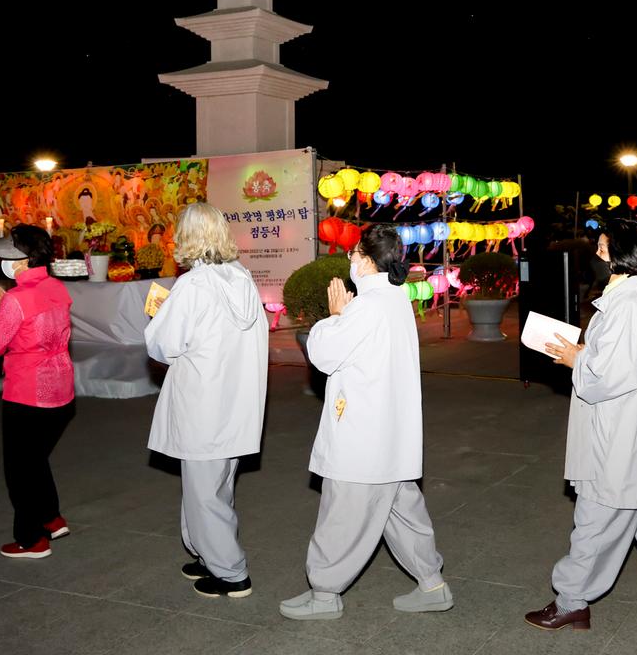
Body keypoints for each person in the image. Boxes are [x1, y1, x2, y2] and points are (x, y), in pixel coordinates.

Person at [526, 219, 637, 632]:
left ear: (622, 254)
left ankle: (571, 600)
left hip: (619, 439)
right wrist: (583, 353)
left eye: (604, 246)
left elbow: (609, 377)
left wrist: (578, 360)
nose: (597, 253)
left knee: (594, 523)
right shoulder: (628, 299)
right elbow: (614, 361)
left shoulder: (627, 306)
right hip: (629, 434)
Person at [280, 225, 453, 621]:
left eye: (354, 255)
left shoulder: (367, 305)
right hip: (392, 434)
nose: (350, 262)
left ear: (368, 260)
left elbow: (323, 356)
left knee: (342, 517)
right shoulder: (395, 299)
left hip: (363, 436)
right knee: (403, 515)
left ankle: (324, 595)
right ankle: (432, 584)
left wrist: (334, 316)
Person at [145, 202, 269, 598]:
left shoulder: (194, 286)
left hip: (203, 402)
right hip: (235, 401)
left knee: (204, 490)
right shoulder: (241, 277)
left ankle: (231, 573)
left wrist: (156, 317)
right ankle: (204, 551)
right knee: (215, 486)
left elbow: (162, 344)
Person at [0, 225, 76, 559]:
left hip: (27, 392)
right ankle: (51, 517)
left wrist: (4, 308)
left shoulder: (15, 299)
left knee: (19, 470)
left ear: (20, 261)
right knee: (35, 460)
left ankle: (31, 539)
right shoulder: (56, 286)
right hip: (61, 388)